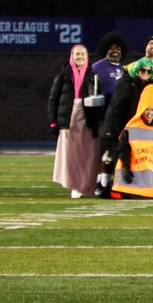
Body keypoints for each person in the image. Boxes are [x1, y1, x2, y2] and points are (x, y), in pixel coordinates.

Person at [48, 44, 101, 198]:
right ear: (71, 56)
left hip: (89, 118)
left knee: (90, 153)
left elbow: (99, 96)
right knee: (71, 154)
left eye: (82, 54)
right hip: (69, 119)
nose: (80, 57)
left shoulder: (93, 76)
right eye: (77, 54)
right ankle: (75, 186)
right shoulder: (63, 76)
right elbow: (53, 100)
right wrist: (53, 122)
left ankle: (89, 186)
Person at [110, 84, 153, 199]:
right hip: (131, 171)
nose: (149, 113)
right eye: (146, 110)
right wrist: (126, 168)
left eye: (152, 110)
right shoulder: (130, 129)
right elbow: (123, 150)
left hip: (149, 173)